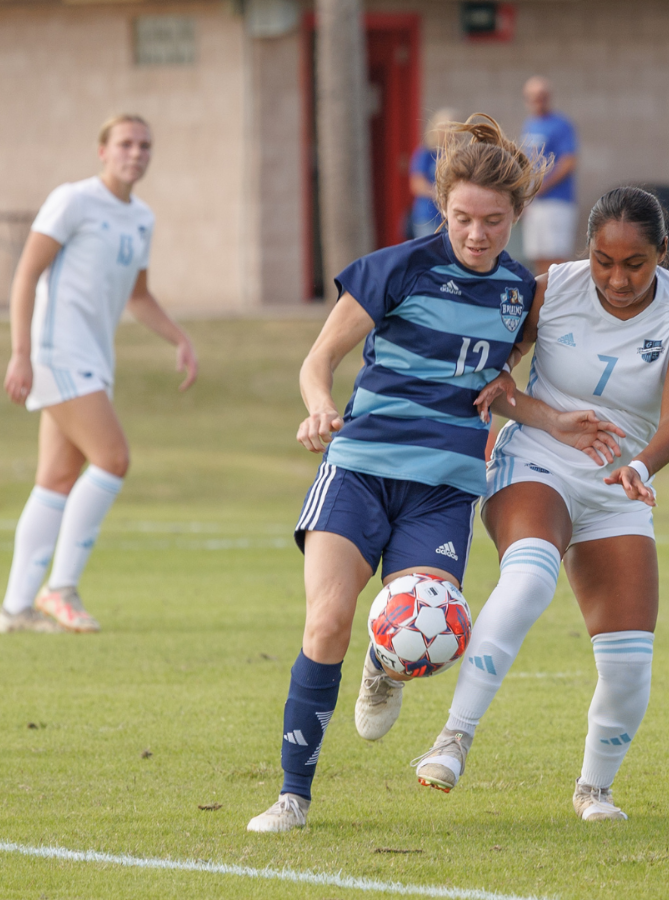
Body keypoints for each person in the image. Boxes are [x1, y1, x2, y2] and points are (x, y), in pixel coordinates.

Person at [245, 114, 623, 835]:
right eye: (461, 218)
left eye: (492, 221)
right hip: (359, 470)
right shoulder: (398, 267)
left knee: (434, 634)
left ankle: (387, 663)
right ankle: (293, 796)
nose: (476, 234)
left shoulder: (518, 292)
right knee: (326, 621)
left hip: (445, 488)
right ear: (441, 206)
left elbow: (494, 389)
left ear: (515, 216)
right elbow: (317, 360)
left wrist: (552, 418)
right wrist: (320, 409)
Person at [412, 186, 669, 822]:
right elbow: (499, 374)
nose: (618, 279)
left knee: (630, 665)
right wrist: (526, 396)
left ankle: (593, 790)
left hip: (618, 483)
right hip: (537, 461)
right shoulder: (552, 287)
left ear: (663, 252)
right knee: (527, 580)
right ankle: (453, 738)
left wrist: (639, 465)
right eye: (605, 261)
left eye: (635, 264)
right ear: (589, 252)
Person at [0, 114, 198, 635]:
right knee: (112, 459)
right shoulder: (73, 200)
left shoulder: (141, 218)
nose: (136, 153)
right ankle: (59, 590)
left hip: (94, 360)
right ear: (103, 151)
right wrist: (21, 352)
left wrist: (178, 338)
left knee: (57, 478)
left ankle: (15, 610)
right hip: (57, 352)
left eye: (145, 145)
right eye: (125, 143)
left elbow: (138, 295)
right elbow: (26, 274)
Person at [519, 76, 579, 275]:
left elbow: (568, 161)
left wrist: (543, 185)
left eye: (542, 96)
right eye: (533, 96)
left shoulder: (560, 124)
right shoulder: (529, 124)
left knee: (556, 257)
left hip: (555, 201)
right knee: (537, 255)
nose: (538, 101)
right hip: (535, 203)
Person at [408, 108, 457, 239]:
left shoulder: (456, 154)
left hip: (452, 216)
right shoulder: (425, 153)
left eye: (452, 128)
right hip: (428, 216)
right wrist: (440, 195)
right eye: (445, 128)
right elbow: (417, 184)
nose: (449, 132)